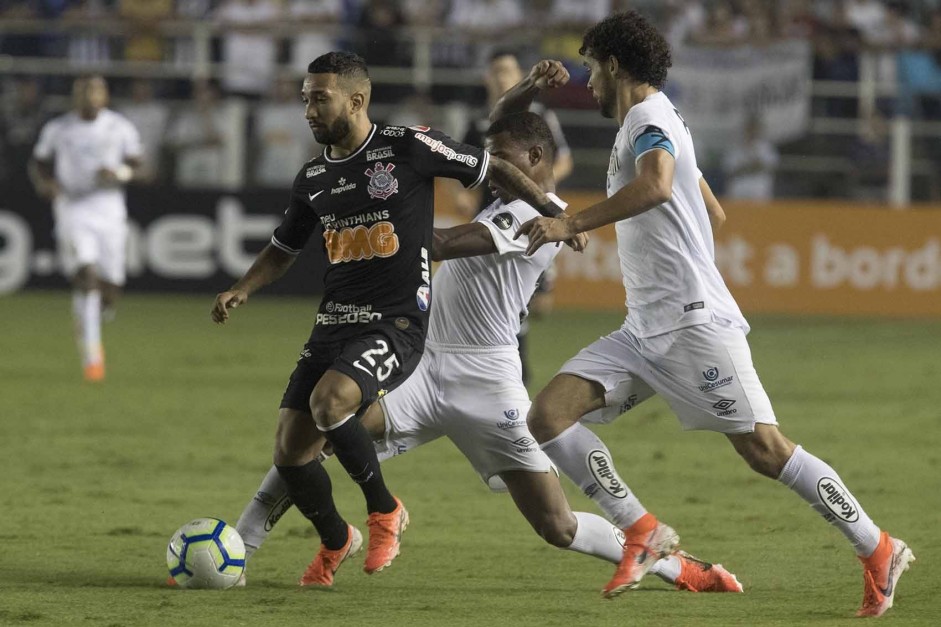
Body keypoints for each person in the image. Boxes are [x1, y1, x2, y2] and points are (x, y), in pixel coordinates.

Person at [232, 102, 741, 594]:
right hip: (424, 369)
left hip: (489, 382)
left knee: (556, 525)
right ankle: (241, 545)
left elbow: (446, 243)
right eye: (489, 157)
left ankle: (680, 568)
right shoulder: (500, 201)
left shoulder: (546, 218)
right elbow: (491, 137)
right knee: (315, 432)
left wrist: (376, 217)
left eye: (505, 159)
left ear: (536, 160)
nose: (493, 169)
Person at [515, 11, 915, 618]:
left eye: (593, 69)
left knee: (765, 450)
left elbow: (655, 186)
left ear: (616, 66)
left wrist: (571, 222)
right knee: (548, 414)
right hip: (646, 326)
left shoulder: (649, 118)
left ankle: (878, 546)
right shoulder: (660, 119)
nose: (589, 83)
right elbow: (711, 212)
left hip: (692, 325)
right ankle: (642, 530)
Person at [210, 51, 580, 585]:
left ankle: (383, 510)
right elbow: (282, 248)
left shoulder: (407, 147)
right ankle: (337, 539)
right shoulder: (313, 175)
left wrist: (556, 214)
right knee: (293, 451)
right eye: (305, 99)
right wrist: (243, 287)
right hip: (336, 319)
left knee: (330, 404)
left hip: (397, 321)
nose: (308, 110)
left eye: (320, 98)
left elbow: (492, 165)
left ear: (356, 100)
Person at [459, 48, 574, 384]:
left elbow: (564, 159)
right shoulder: (478, 121)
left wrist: (542, 191)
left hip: (531, 212)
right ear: (486, 78)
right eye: (496, 71)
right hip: (492, 214)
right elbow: (460, 168)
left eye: (508, 70)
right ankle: (510, 369)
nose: (501, 76)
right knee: (502, 295)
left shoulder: (540, 119)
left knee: (538, 306)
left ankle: (508, 362)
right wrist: (462, 198)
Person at [29, 75, 142, 383]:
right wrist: (47, 184)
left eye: (96, 90)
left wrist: (118, 172)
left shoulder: (119, 127)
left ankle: (88, 315)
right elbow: (39, 162)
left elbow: (138, 164)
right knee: (87, 277)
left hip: (109, 209)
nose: (90, 96)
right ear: (74, 96)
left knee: (111, 288)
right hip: (72, 208)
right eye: (84, 91)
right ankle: (93, 358)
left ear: (105, 96)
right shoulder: (58, 128)